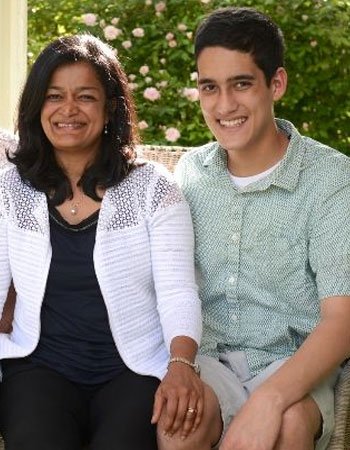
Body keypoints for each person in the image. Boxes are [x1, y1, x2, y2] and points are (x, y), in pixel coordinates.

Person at [0, 34, 203, 450]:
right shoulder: (11, 189)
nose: (68, 110)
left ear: (110, 107)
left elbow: (178, 289)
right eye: (54, 96)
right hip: (39, 367)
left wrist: (181, 363)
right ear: (37, 105)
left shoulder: (153, 189)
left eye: (85, 96)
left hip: (134, 369)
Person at [159, 6, 350, 450]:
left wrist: (268, 399)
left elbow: (342, 320)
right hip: (210, 366)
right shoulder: (189, 174)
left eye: (241, 84)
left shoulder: (330, 179)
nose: (225, 106)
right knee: (176, 426)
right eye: (210, 87)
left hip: (296, 366)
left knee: (287, 427)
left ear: (275, 83)